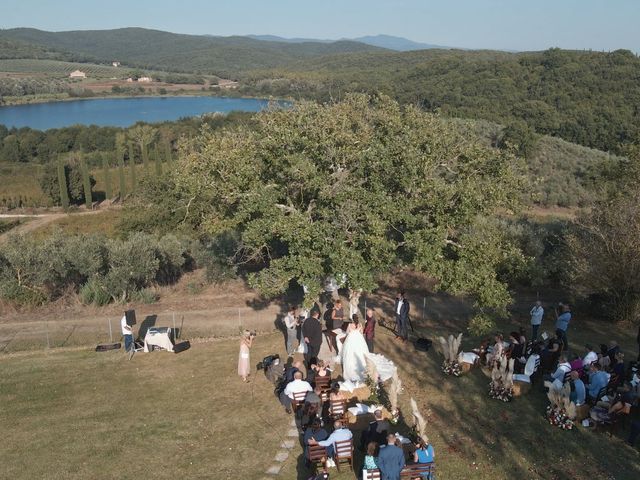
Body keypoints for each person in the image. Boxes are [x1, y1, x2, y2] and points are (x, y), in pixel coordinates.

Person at [341, 315, 371, 382]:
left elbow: (347, 332)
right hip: (358, 339)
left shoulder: (350, 324)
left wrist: (352, 332)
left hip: (351, 339)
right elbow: (362, 333)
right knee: (360, 351)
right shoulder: (360, 324)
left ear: (352, 319)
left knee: (349, 352)